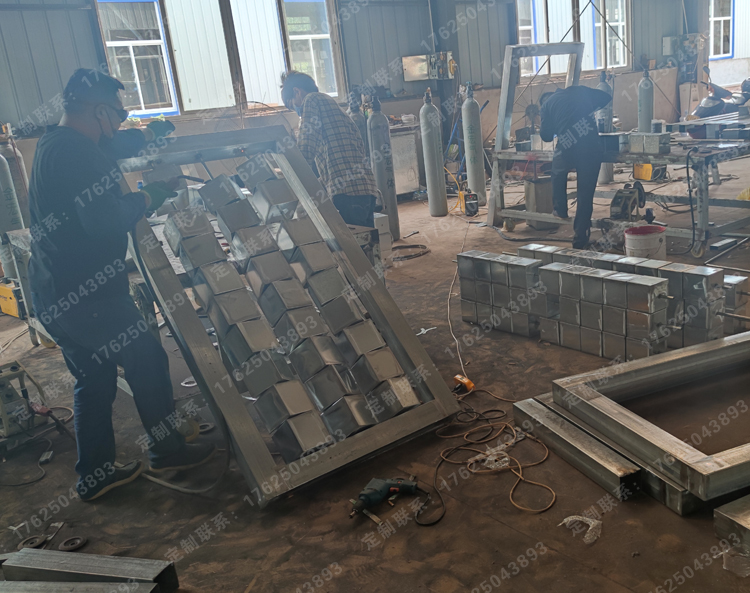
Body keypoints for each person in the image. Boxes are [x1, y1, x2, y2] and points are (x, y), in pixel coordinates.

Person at [28, 69, 215, 501]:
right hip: (88, 296)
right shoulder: (80, 154)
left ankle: (94, 476)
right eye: (119, 114)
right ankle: (167, 451)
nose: (119, 122)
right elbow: (105, 220)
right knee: (147, 357)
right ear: (99, 111)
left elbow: (114, 146)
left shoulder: (57, 142)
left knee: (93, 380)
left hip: (53, 292)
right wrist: (150, 196)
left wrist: (151, 133)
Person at [281, 71, 379, 227]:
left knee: (350, 241)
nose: (297, 111)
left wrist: (289, 175)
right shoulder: (332, 107)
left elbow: (306, 147)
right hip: (366, 190)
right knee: (366, 240)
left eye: (292, 105)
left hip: (347, 194)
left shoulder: (311, 100)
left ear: (297, 92)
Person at [539, 86, 613, 249]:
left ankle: (560, 209)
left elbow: (546, 136)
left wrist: (557, 124)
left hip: (567, 146)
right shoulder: (581, 91)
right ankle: (580, 240)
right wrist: (588, 109)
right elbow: (606, 97)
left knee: (557, 172)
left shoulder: (547, 105)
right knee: (585, 195)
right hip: (591, 147)